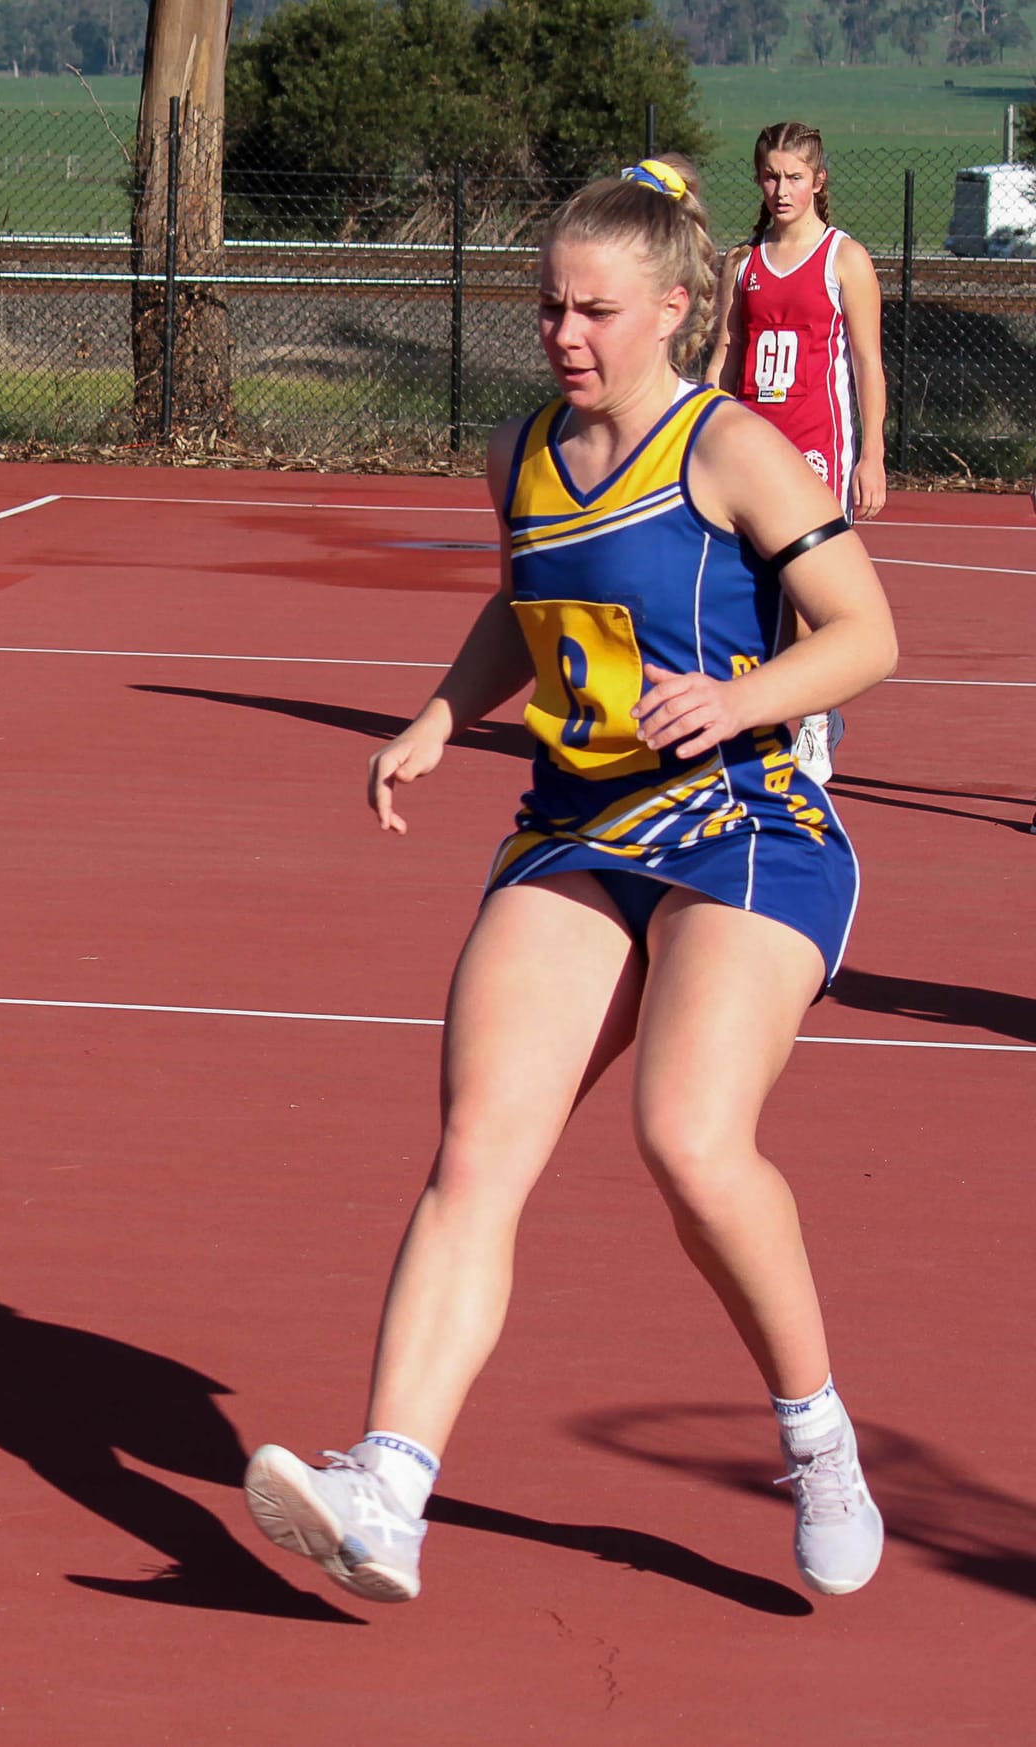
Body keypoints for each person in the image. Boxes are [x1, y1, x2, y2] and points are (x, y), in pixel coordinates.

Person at [243, 159, 898, 1607]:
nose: (562, 333)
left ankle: (816, 1435)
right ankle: (389, 1487)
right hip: (577, 824)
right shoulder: (520, 452)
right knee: (477, 1146)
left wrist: (739, 698)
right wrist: (437, 714)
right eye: (548, 306)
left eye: (594, 309)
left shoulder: (731, 452)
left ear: (672, 309)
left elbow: (866, 633)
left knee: (688, 1137)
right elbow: (523, 600)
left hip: (744, 821)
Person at [706, 120, 888, 786]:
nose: (780, 189)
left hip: (818, 446)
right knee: (744, 585)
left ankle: (814, 720)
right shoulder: (742, 264)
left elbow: (867, 363)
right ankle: (755, 715)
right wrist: (697, 431)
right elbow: (726, 356)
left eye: (793, 177)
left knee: (808, 587)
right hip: (752, 444)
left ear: (818, 181)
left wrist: (872, 453)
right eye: (770, 176)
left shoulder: (845, 259)